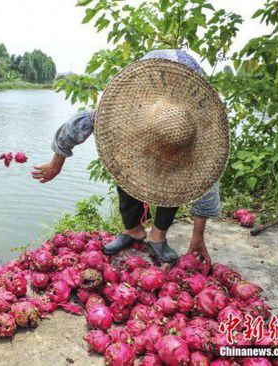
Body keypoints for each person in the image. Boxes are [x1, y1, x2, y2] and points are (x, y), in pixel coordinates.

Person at [32, 49, 229, 264]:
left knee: (175, 178)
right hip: (150, 93)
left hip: (188, 97)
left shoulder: (200, 126)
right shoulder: (129, 105)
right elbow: (77, 125)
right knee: (126, 164)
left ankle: (158, 235)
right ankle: (133, 229)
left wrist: (197, 236)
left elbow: (207, 181)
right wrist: (55, 163)